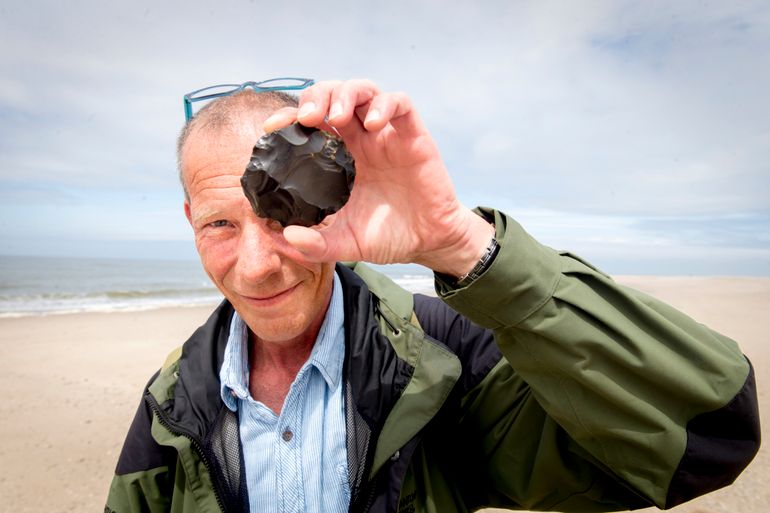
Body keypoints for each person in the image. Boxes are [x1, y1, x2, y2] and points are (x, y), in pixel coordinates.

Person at [106, 79, 760, 513]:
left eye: (280, 212)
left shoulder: (444, 360)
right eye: (219, 224)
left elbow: (706, 434)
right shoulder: (175, 397)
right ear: (189, 217)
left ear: (331, 202)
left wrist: (457, 242)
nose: (255, 267)